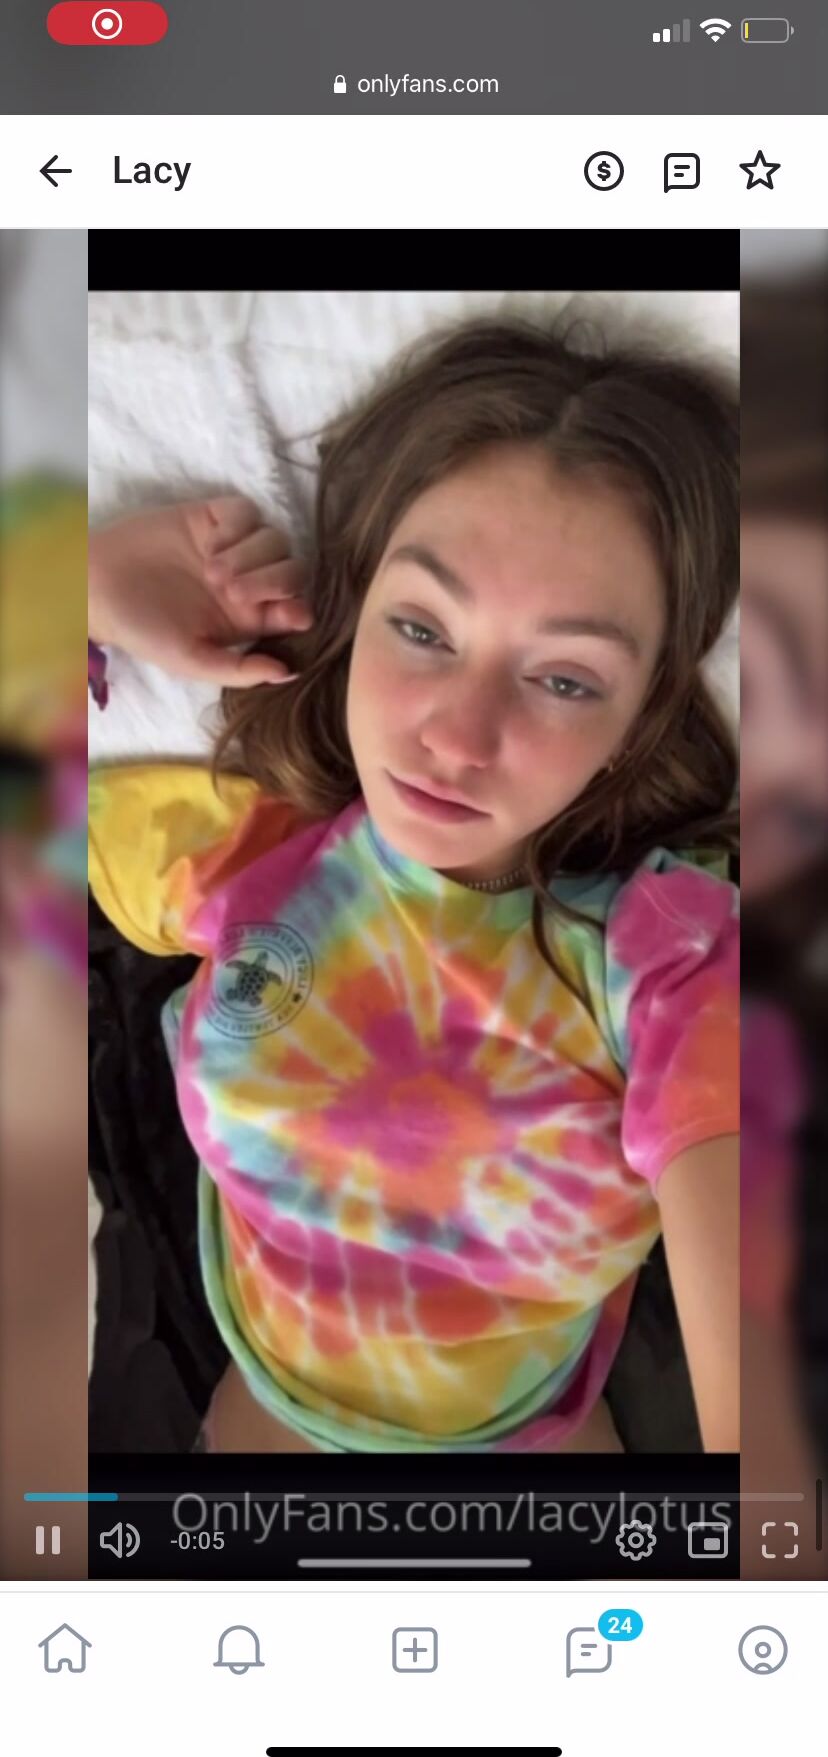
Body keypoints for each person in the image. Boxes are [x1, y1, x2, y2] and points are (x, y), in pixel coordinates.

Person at [88, 317, 740, 1454]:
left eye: (565, 678)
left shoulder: (672, 959)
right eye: (423, 628)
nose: (458, 736)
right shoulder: (241, 857)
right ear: (356, 614)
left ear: (640, 719)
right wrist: (76, 585)